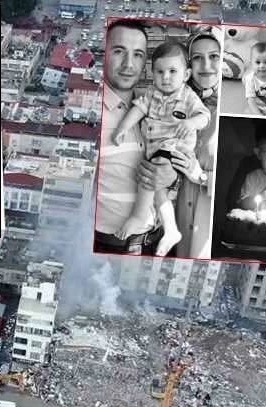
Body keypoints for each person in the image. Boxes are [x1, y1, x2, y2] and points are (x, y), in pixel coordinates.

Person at [110, 41, 211, 257]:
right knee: (158, 190)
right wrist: (122, 128)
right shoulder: (152, 93)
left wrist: (191, 123)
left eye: (173, 71)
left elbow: (204, 116)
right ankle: (171, 229)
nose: (166, 77)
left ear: (185, 75)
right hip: (156, 150)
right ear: (152, 73)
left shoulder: (188, 96)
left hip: (175, 147)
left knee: (151, 176)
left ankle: (138, 217)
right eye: (160, 72)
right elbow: (138, 110)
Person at [96, 20, 179, 255]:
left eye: (138, 55)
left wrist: (172, 177)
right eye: (119, 51)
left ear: (145, 64)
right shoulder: (92, 116)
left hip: (158, 243)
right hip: (111, 247)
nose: (128, 64)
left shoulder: (156, 105)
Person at [175, 27, 220, 258]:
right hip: (170, 214)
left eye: (214, 56)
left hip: (204, 223)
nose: (206, 65)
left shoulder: (235, 111)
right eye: (197, 58)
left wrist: (201, 177)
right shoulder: (174, 102)